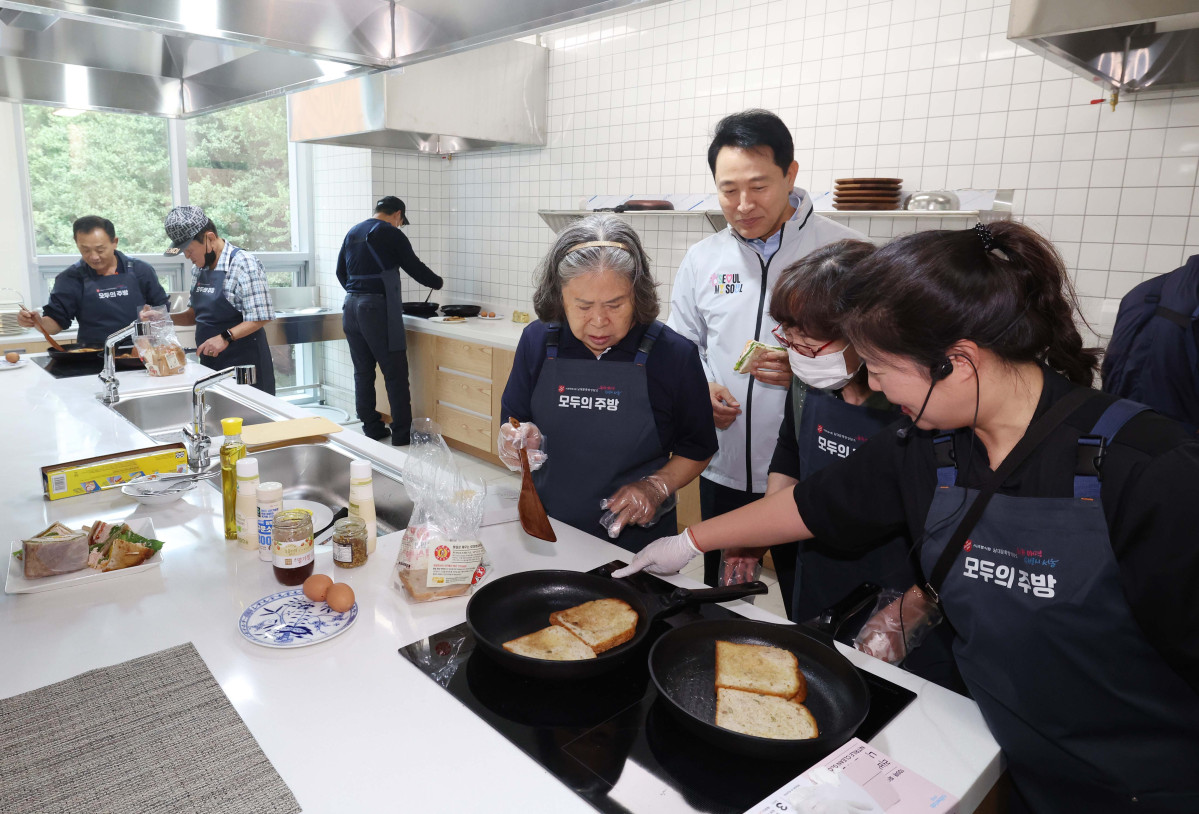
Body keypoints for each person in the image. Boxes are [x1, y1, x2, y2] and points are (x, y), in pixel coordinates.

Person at [616, 222, 1199, 812]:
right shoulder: (929, 444)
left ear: (957, 362)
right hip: (1005, 756)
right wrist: (689, 542)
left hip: (1138, 786)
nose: (869, 382)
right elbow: (814, 504)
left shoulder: (1150, 469)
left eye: (878, 365)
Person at [666, 109, 863, 594]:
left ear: (790, 174)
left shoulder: (845, 253)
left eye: (758, 186)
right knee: (722, 598)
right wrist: (701, 387)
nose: (743, 204)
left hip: (813, 470)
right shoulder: (704, 258)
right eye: (728, 189)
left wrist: (807, 370)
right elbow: (682, 344)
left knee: (813, 601)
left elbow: (876, 360)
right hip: (724, 460)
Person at [498, 214, 717, 551]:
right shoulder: (537, 342)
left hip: (637, 541)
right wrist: (518, 441)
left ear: (637, 295)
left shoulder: (673, 354)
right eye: (583, 306)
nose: (599, 322)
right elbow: (513, 420)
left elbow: (697, 448)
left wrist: (655, 487)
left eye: (615, 305)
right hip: (547, 526)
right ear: (559, 298)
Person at [337, 196, 443, 445]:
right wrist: (437, 282)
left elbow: (341, 272)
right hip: (376, 310)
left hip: (350, 307)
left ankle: (372, 427)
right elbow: (414, 266)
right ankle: (402, 434)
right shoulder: (391, 233)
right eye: (401, 221)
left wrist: (359, 293)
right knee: (395, 372)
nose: (399, 225)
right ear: (397, 214)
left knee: (363, 371)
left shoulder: (354, 231)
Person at [163, 205, 276, 394]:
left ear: (209, 238)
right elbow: (194, 315)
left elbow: (261, 316)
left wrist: (225, 337)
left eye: (189, 250)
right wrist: (164, 318)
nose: (187, 257)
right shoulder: (199, 269)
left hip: (245, 369)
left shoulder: (243, 263)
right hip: (210, 366)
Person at [19, 216, 169, 348]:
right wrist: (38, 322)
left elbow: (162, 311)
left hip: (141, 354)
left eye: (100, 249)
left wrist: (155, 318)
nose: (94, 257)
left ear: (115, 242)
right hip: (93, 357)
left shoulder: (141, 270)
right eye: (85, 250)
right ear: (77, 244)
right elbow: (56, 322)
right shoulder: (70, 278)